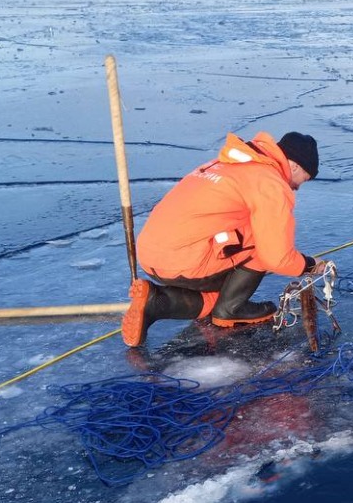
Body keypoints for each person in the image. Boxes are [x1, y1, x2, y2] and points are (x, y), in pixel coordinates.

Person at [121, 131, 327, 347]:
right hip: (185, 259)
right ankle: (231, 309)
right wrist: (309, 265)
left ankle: (157, 302)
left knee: (216, 294)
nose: (296, 188)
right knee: (263, 242)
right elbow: (276, 257)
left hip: (152, 254)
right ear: (294, 166)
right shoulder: (270, 182)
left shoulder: (228, 164)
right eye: (300, 182)